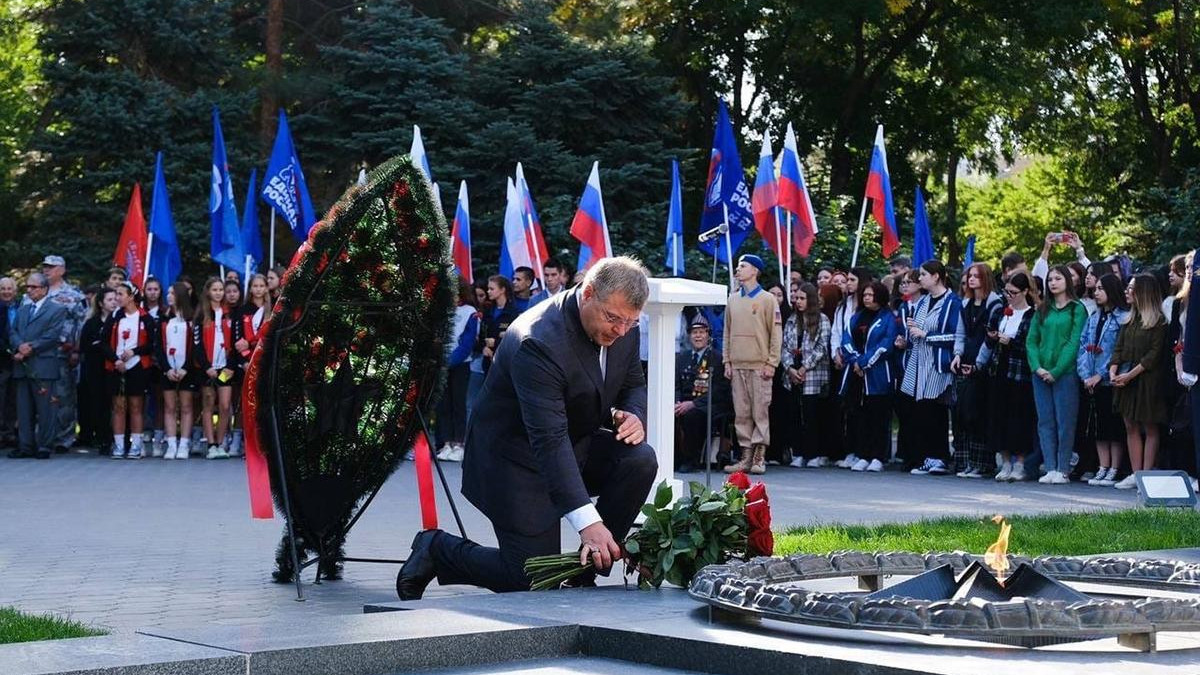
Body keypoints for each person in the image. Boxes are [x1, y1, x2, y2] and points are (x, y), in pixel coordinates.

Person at [396, 257, 657, 598]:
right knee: (529, 579)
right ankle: (437, 549)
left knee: (639, 459)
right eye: (613, 319)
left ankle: (585, 569)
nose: (621, 331)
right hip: (514, 460)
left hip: (574, 444)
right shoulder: (538, 340)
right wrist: (589, 523)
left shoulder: (622, 324)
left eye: (631, 322)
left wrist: (633, 414)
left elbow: (633, 382)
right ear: (588, 293)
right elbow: (548, 439)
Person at [901, 261, 964, 476]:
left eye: (923, 274)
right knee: (921, 411)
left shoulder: (952, 302)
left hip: (938, 364)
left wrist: (926, 335)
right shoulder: (922, 302)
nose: (920, 279)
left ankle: (939, 457)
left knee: (935, 410)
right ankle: (926, 457)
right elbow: (915, 331)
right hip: (919, 362)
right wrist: (911, 332)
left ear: (936, 276)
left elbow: (955, 335)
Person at [1028, 265, 1089, 484]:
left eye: (1058, 279)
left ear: (1068, 282)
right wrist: (1037, 367)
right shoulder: (1043, 309)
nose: (1053, 283)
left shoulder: (1077, 309)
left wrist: (1056, 371)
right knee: (1045, 421)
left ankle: (1063, 468)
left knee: (1065, 421)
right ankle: (1050, 467)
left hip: (1065, 373)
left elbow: (1074, 342)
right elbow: (1032, 341)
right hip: (1040, 373)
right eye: (1050, 279)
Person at [722, 254, 783, 475]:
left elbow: (775, 333)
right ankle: (745, 456)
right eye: (738, 266)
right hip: (737, 364)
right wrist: (727, 360)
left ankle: (759, 456)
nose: (738, 269)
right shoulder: (732, 299)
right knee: (741, 412)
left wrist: (772, 362)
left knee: (760, 411)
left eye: (743, 266)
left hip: (759, 365)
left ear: (755, 271)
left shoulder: (768, 299)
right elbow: (727, 332)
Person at [1109, 274, 1168, 489]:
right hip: (1125, 379)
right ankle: (1135, 474)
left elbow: (1152, 356)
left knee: (1149, 426)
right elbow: (1118, 348)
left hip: (1147, 381)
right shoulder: (1129, 320)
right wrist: (1113, 371)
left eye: (1131, 288)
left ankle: (1146, 474)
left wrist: (1130, 375)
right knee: (1130, 426)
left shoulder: (1159, 322)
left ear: (1143, 292)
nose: (1127, 291)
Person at [983, 272, 1038, 481]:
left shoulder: (1032, 315)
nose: (1009, 297)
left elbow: (1031, 345)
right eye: (1006, 292)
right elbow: (990, 339)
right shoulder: (1001, 312)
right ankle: (1005, 462)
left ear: (1025, 291)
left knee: (1019, 418)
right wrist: (993, 337)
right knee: (999, 416)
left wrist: (1011, 342)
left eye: (1013, 293)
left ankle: (1020, 463)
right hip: (999, 369)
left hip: (1020, 372)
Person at [8, 273, 68, 459]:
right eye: (27, 287)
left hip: (43, 365)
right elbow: (13, 331)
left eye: (33, 287)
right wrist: (19, 346)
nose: (29, 290)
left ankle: (44, 446)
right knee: (23, 409)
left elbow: (52, 335)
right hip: (23, 365)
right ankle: (25, 445)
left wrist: (31, 347)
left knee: (46, 409)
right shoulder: (23, 309)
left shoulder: (56, 309)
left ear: (44, 289)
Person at [838, 281, 895, 472]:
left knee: (878, 416)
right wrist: (855, 360)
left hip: (878, 375)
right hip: (857, 375)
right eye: (865, 295)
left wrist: (864, 362)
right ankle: (863, 454)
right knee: (860, 415)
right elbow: (846, 340)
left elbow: (886, 344)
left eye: (870, 295)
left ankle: (878, 456)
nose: (867, 298)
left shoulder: (888, 318)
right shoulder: (857, 317)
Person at [1078, 274, 1130, 486]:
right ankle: (1102, 466)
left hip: (1110, 380)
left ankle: (1114, 468)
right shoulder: (1093, 316)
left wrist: (1101, 374)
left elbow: (1119, 350)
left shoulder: (1122, 317)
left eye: (1101, 288)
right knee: (1097, 426)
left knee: (1113, 427)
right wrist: (1085, 374)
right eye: (1095, 288)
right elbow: (1083, 345)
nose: (1096, 292)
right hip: (1091, 379)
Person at [953, 263, 1003, 478]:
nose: (971, 280)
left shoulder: (995, 304)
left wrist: (978, 364)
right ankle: (965, 462)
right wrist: (957, 354)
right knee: (963, 413)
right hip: (965, 360)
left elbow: (990, 337)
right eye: (970, 276)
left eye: (976, 276)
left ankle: (981, 463)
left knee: (978, 414)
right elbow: (960, 333)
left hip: (984, 365)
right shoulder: (965, 304)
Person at [100, 281, 157, 459]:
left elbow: (151, 344)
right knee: (118, 406)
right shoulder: (115, 317)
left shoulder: (145, 318)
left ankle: (136, 445)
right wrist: (116, 360)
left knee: (136, 406)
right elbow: (103, 342)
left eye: (120, 294)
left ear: (131, 296)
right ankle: (118, 445)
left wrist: (134, 352)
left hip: (138, 366)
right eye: (115, 294)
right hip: (117, 367)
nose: (117, 298)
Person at [41, 255, 86, 453]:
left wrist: (76, 349)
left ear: (61, 270)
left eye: (51, 267)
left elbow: (81, 324)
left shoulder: (73, 295)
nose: (46, 270)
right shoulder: (37, 291)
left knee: (64, 396)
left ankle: (64, 438)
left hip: (63, 352)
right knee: (42, 395)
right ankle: (44, 436)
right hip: (40, 353)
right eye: (45, 266)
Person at [829, 268, 874, 469]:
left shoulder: (866, 309)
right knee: (848, 408)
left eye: (852, 279)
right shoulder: (842, 305)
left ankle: (862, 451)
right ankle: (849, 450)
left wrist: (857, 358)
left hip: (862, 363)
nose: (848, 283)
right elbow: (837, 331)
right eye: (847, 279)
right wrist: (836, 353)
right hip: (844, 362)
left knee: (862, 409)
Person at [673, 314, 729, 472]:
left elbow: (719, 390)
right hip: (683, 403)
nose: (698, 336)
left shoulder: (717, 359)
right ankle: (674, 459)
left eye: (701, 332)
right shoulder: (682, 358)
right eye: (694, 332)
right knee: (669, 415)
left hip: (707, 404)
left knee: (693, 415)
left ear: (708, 335)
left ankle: (691, 460)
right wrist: (677, 402)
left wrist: (693, 404)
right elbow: (675, 384)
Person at [436, 278, 480, 463]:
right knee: (443, 405)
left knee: (458, 404)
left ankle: (459, 443)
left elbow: (467, 343)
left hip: (460, 365)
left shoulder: (469, 312)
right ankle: (446, 443)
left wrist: (448, 362)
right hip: (441, 364)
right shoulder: (441, 311)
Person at [193, 277, 234, 459]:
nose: (218, 293)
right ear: (208, 292)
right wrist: (206, 367)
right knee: (208, 403)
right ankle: (211, 445)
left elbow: (234, 341)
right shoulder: (201, 314)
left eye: (220, 290)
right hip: (208, 369)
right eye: (215, 290)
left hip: (224, 369)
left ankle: (221, 442)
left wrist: (230, 366)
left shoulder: (229, 313)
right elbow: (197, 345)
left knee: (224, 405)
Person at [77, 287, 117, 454]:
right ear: (101, 303)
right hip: (96, 369)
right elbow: (85, 346)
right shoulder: (91, 323)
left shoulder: (120, 321)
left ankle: (120, 438)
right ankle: (102, 439)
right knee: (99, 405)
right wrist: (99, 346)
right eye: (109, 300)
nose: (113, 302)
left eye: (115, 299)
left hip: (115, 368)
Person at [159, 282, 195, 460]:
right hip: (169, 370)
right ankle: (171, 444)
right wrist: (166, 369)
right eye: (168, 293)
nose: (169, 296)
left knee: (186, 406)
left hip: (185, 370)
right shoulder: (163, 317)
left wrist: (185, 368)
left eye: (172, 293)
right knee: (169, 407)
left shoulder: (192, 319)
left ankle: (184, 444)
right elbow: (158, 346)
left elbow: (195, 346)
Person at [141, 277, 166, 456]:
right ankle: (142, 435)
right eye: (149, 289)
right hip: (142, 362)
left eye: (156, 289)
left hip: (159, 363)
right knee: (141, 401)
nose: (152, 293)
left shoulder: (165, 312)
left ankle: (158, 437)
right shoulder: (139, 311)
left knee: (159, 400)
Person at [482, 275, 519, 374]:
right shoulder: (488, 311)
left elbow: (516, 340)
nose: (488, 291)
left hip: (506, 363)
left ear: (502, 290)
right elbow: (481, 335)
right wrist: (484, 347)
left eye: (492, 289)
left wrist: (496, 343)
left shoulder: (513, 313)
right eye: (488, 289)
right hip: (488, 363)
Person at [0, 277, 17, 447]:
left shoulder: (21, 307)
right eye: (3, 289)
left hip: (19, 359)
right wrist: (7, 350)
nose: (6, 292)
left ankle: (9, 433)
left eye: (9, 288)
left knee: (13, 398)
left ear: (15, 291)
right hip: (2, 359)